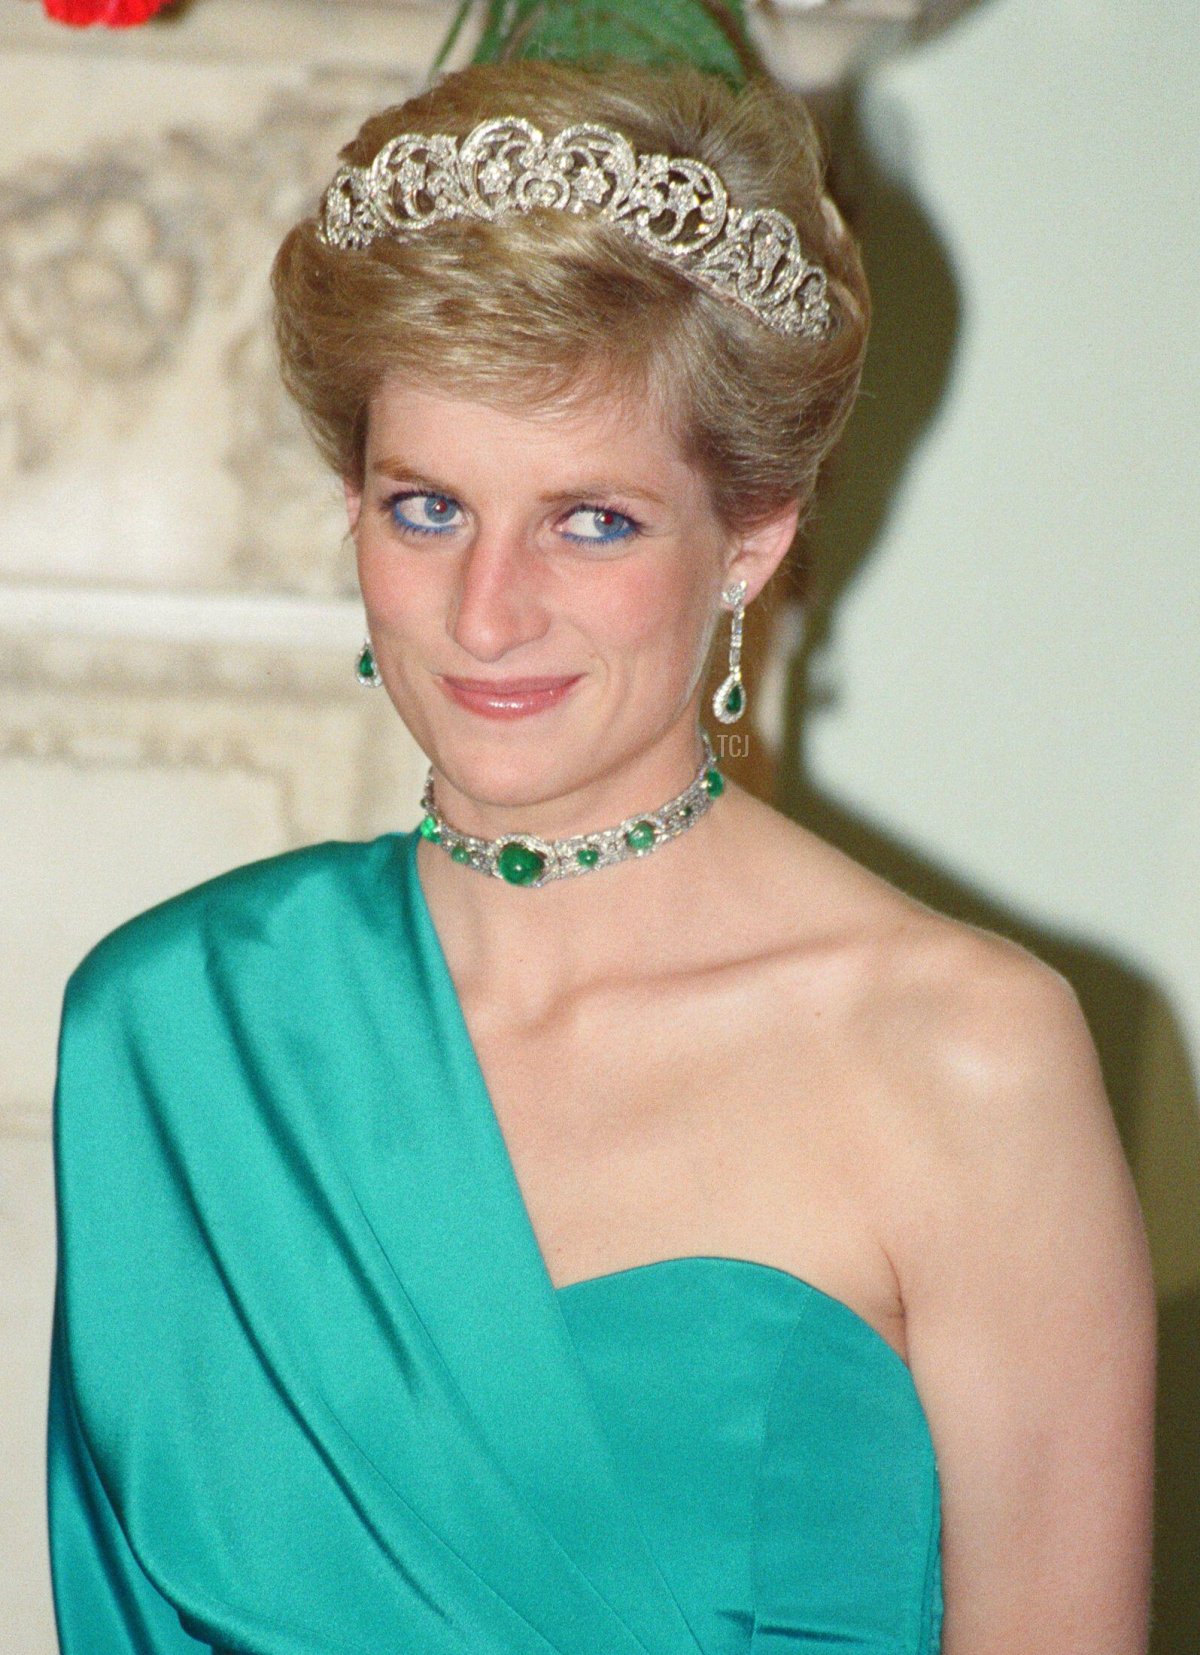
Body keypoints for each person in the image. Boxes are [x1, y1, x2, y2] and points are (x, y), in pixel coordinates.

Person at [45, 12, 1157, 1655]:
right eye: (431, 508)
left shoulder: (966, 1056)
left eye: (592, 519)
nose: (489, 615)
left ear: (750, 542)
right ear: (355, 510)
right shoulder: (169, 1027)